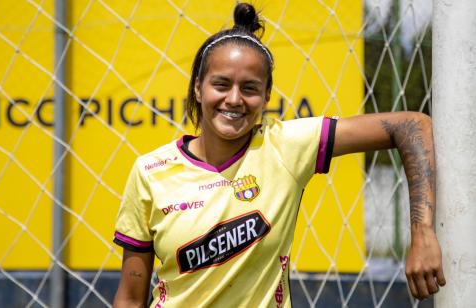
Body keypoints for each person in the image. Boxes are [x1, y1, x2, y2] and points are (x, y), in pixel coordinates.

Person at [112, 3, 445, 307]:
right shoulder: (150, 171)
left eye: (250, 88)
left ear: (267, 94)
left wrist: (422, 232)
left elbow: (411, 126)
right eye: (221, 84)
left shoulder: (284, 146)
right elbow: (130, 297)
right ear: (198, 87)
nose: (234, 99)